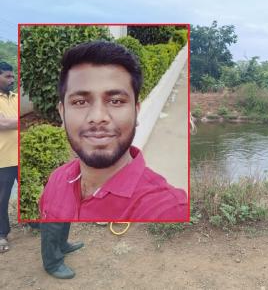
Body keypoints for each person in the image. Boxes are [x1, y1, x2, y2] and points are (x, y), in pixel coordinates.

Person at [38, 41, 188, 221]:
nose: (98, 117)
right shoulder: (57, 179)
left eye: (116, 101)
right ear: (62, 112)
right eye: (80, 102)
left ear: (136, 111)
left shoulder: (169, 209)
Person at [0, 62, 18, 253]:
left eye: (12, 77)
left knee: (28, 192)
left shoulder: (15, 98)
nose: (11, 80)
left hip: (20, 156)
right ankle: (1, 234)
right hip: (3, 159)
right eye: (7, 76)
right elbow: (2, 124)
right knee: (2, 199)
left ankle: (35, 223)